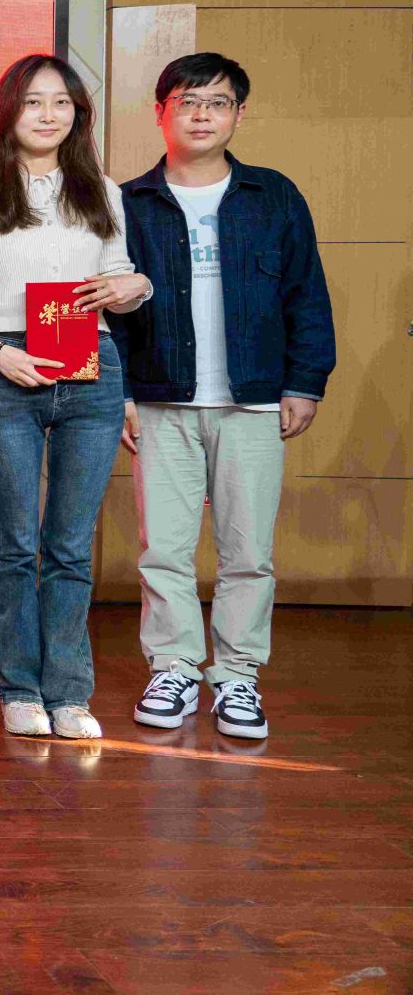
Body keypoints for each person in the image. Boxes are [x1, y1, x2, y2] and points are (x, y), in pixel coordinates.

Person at [117, 52, 334, 741]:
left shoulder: (274, 196)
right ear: (160, 113)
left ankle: (238, 675)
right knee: (164, 549)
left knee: (248, 552)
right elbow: (106, 313)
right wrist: (119, 393)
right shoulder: (128, 203)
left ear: (239, 114)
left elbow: (306, 294)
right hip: (160, 399)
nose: (202, 115)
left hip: (254, 401)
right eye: (186, 101)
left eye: (217, 102)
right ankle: (175, 666)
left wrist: (305, 382)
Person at [0, 55, 149, 740]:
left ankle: (69, 693)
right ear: (9, 112)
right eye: (33, 102)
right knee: (14, 544)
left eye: (62, 103)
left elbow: (120, 278)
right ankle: (20, 689)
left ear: (77, 115)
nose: (48, 114)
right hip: (9, 364)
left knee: (69, 546)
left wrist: (136, 286)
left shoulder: (103, 192)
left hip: (93, 365)